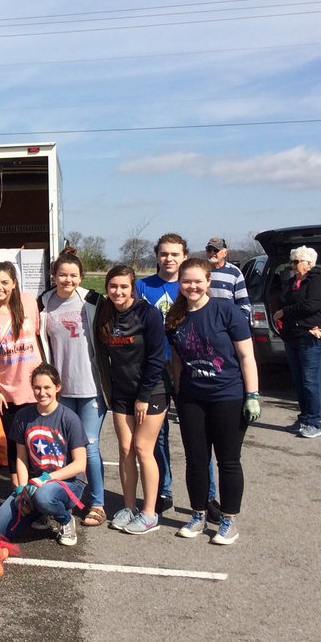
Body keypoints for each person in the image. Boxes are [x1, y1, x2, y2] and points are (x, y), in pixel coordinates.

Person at [166, 258, 260, 544]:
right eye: (186, 281)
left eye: (198, 281)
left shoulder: (226, 311)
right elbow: (178, 364)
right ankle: (198, 514)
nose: (192, 286)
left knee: (228, 461)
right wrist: (180, 396)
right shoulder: (175, 318)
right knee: (196, 460)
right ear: (180, 283)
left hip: (228, 397)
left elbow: (246, 357)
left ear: (208, 282)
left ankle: (229, 520)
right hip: (193, 399)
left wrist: (252, 395)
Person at [94, 265, 169, 534]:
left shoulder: (147, 313)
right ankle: (128, 507)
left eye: (124, 286)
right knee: (125, 449)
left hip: (151, 392)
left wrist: (144, 396)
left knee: (142, 447)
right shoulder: (106, 313)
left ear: (133, 287)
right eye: (113, 286)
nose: (118, 291)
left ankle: (149, 513)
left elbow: (156, 357)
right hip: (121, 392)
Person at [39, 247, 107, 527]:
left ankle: (98, 503)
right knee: (63, 448)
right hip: (61, 389)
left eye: (74, 275)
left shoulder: (92, 301)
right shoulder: (43, 302)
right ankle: (65, 496)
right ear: (53, 275)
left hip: (91, 387)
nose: (67, 280)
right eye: (62, 275)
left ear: (81, 277)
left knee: (89, 446)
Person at [0, 363, 87, 548]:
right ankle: (40, 512)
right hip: (36, 484)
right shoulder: (23, 416)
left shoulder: (69, 418)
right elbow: (21, 458)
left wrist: (46, 479)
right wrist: (21, 490)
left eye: (47, 387)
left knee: (44, 496)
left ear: (58, 388)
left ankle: (65, 520)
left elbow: (80, 465)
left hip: (69, 483)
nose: (42, 392)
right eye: (37, 387)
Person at [135, 233, 187, 512]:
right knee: (159, 436)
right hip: (155, 368)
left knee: (196, 435)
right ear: (156, 256)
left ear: (184, 257)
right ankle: (164, 491)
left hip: (187, 366)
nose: (169, 259)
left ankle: (207, 496)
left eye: (175, 254)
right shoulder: (142, 286)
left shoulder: (190, 284)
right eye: (164, 254)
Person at [0, 260, 43, 469]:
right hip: (7, 391)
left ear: (14, 283)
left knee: (39, 445)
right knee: (15, 448)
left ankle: (42, 495)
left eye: (5, 282)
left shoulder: (28, 301)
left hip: (36, 387)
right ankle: (20, 496)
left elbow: (39, 339)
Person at [273, 246, 321, 439]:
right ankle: (304, 418)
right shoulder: (292, 282)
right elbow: (282, 301)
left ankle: (314, 422)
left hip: (312, 338)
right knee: (299, 381)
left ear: (309, 263)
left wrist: (286, 312)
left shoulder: (317, 281)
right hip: (293, 336)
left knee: (310, 381)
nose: (294, 265)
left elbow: (312, 305)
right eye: (292, 261)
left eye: (297, 261)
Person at [205, 237, 251, 318]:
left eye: (216, 250)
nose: (212, 253)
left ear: (225, 253)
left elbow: (243, 303)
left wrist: (239, 323)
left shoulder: (234, 272)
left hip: (226, 323)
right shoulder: (200, 270)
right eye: (209, 250)